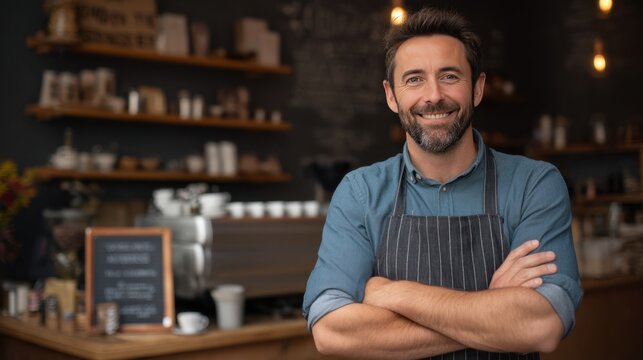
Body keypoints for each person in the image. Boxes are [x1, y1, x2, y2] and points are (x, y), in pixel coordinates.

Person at [302, 6, 582, 360]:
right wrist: (493, 310)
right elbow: (331, 332)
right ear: (392, 95)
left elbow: (541, 325)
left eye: (450, 76)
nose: (433, 95)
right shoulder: (361, 193)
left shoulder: (534, 184)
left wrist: (394, 294)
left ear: (477, 88)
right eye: (414, 79)